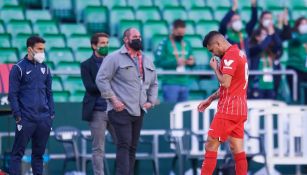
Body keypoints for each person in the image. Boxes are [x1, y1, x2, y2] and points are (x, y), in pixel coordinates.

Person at [95, 28, 158, 175]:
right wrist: (113, 100)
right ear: (126, 39)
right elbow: (101, 79)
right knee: (124, 144)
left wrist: (151, 101)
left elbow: (154, 83)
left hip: (139, 110)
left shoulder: (147, 60)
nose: (138, 39)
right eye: (135, 36)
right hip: (120, 109)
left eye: (140, 36)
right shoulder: (114, 57)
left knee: (132, 147)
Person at [198, 31, 248, 175]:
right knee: (237, 148)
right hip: (240, 108)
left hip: (228, 108)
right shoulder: (239, 53)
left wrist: (215, 69)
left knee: (210, 144)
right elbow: (231, 86)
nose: (213, 54)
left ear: (218, 43)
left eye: (212, 50)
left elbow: (225, 83)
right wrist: (210, 99)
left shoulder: (230, 56)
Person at [8, 36, 54, 175]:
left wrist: (51, 115)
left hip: (43, 119)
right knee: (17, 155)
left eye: (43, 49)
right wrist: (18, 117)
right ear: (30, 49)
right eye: (39, 49)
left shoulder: (45, 69)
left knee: (38, 156)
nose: (42, 52)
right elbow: (12, 95)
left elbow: (49, 93)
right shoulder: (18, 68)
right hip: (25, 119)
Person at [80, 33, 116, 175]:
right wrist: (109, 88)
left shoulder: (114, 62)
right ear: (94, 46)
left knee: (123, 145)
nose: (105, 46)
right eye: (102, 43)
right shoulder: (86, 65)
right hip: (97, 111)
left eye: (107, 43)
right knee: (98, 148)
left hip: (115, 109)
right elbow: (90, 87)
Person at [154, 19, 195, 103]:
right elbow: (158, 62)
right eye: (179, 33)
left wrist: (192, 63)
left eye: (182, 34)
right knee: (171, 110)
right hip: (170, 82)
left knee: (183, 111)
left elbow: (192, 59)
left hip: (184, 81)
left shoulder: (187, 43)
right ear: (173, 30)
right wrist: (175, 63)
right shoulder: (164, 43)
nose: (181, 35)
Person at [247, 27, 283, 99]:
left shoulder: (271, 51)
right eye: (264, 34)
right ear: (257, 37)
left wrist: (273, 34)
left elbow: (279, 45)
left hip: (270, 86)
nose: (266, 36)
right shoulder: (253, 49)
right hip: (257, 85)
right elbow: (261, 47)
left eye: (267, 34)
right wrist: (270, 36)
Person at [286, 17, 307, 103]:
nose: (304, 26)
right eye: (302, 24)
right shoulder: (293, 34)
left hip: (304, 68)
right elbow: (299, 40)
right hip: (294, 68)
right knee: (296, 94)